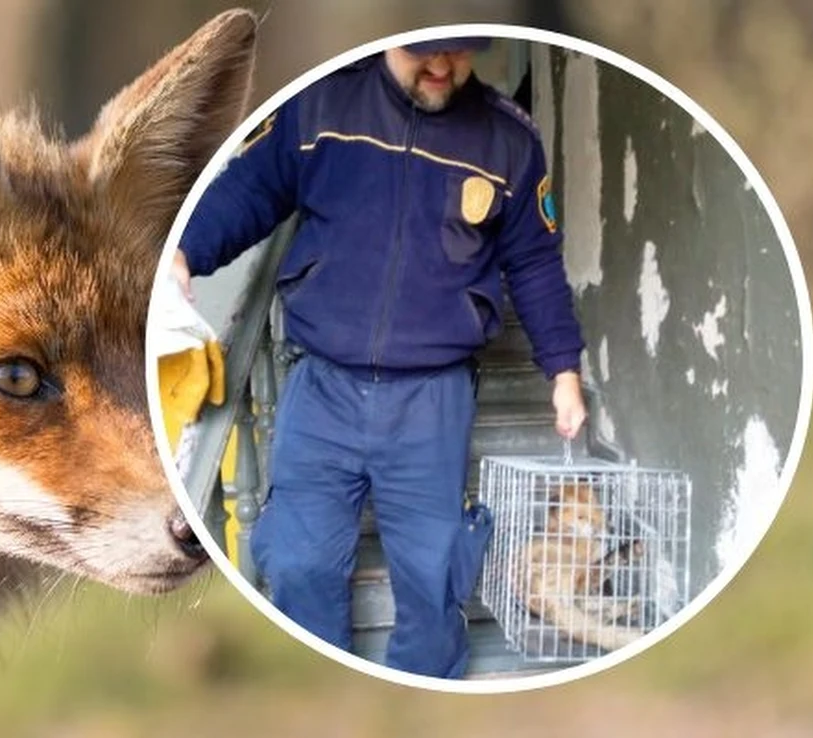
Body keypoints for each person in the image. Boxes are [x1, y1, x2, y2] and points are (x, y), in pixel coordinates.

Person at [172, 38, 586, 679]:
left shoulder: (510, 142)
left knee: (432, 575)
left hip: (432, 401)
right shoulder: (318, 105)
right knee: (297, 560)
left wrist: (563, 371)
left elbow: (534, 265)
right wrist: (184, 250)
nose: (443, 68)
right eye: (425, 53)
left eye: (460, 53)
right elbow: (251, 189)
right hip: (323, 391)